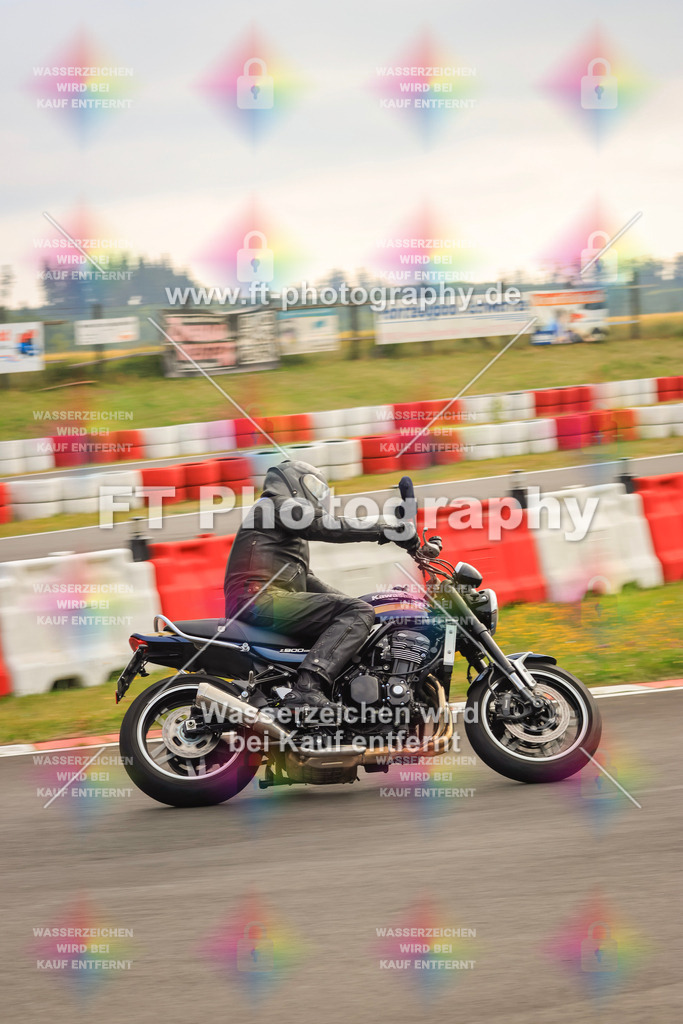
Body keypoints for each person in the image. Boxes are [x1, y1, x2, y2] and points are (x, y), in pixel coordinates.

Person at [224, 460, 418, 711]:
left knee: (358, 612)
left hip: (264, 599)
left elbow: (307, 580)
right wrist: (388, 530)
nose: (317, 496)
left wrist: (363, 606)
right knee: (357, 612)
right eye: (313, 487)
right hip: (260, 599)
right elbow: (325, 525)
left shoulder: (279, 522)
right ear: (293, 484)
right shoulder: (275, 505)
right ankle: (308, 688)